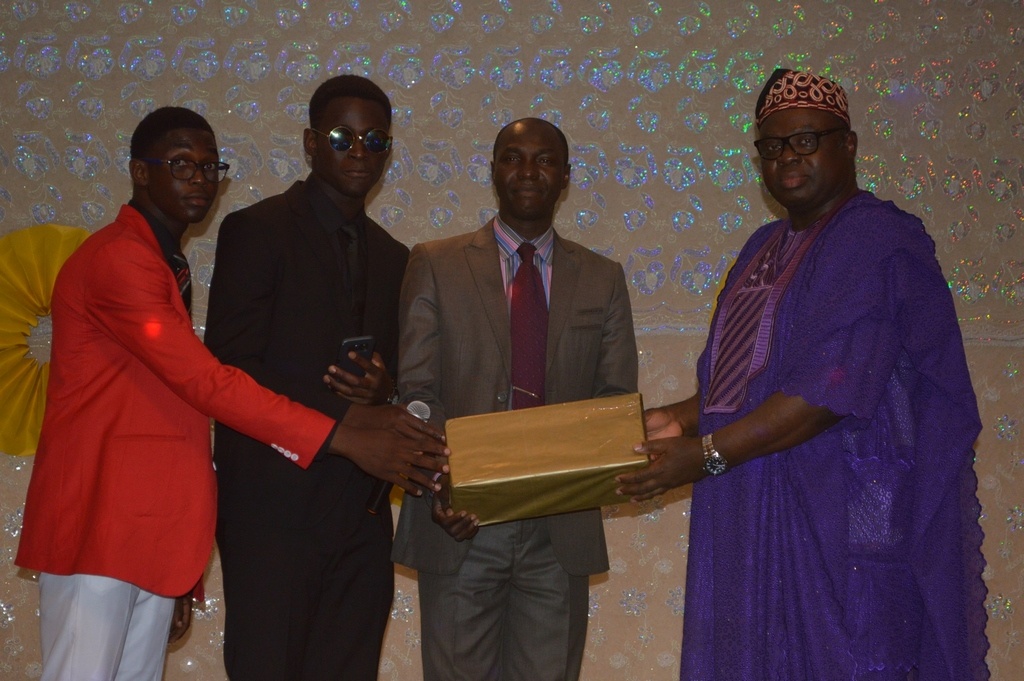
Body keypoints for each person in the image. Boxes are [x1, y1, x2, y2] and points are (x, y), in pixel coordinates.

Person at [14, 106, 447, 681]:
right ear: (140, 172)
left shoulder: (162, 263)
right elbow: (207, 382)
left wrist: (178, 569)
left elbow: (174, 412)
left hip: (150, 531)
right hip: (101, 521)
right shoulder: (119, 260)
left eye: (209, 166)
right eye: (180, 165)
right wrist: (341, 437)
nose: (199, 179)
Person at [617, 69, 989, 679]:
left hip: (841, 520)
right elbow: (748, 381)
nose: (788, 156)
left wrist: (706, 454)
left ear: (849, 144)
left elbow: (829, 390)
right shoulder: (761, 247)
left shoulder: (877, 238)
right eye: (772, 145)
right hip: (749, 505)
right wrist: (679, 419)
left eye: (807, 140)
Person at [392, 117, 638, 681]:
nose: (528, 171)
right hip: (459, 521)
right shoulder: (435, 263)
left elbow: (615, 400)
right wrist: (442, 483)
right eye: (513, 157)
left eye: (544, 159)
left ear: (566, 176)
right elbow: (418, 395)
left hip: (560, 529)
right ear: (493, 171)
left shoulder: (602, 278)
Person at [203, 75, 411, 681]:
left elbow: (399, 376)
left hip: (360, 513)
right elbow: (232, 365)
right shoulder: (257, 229)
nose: (359, 152)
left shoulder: (396, 256)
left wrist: (385, 391)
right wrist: (347, 418)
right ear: (311, 143)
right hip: (272, 509)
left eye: (375, 140)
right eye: (343, 137)